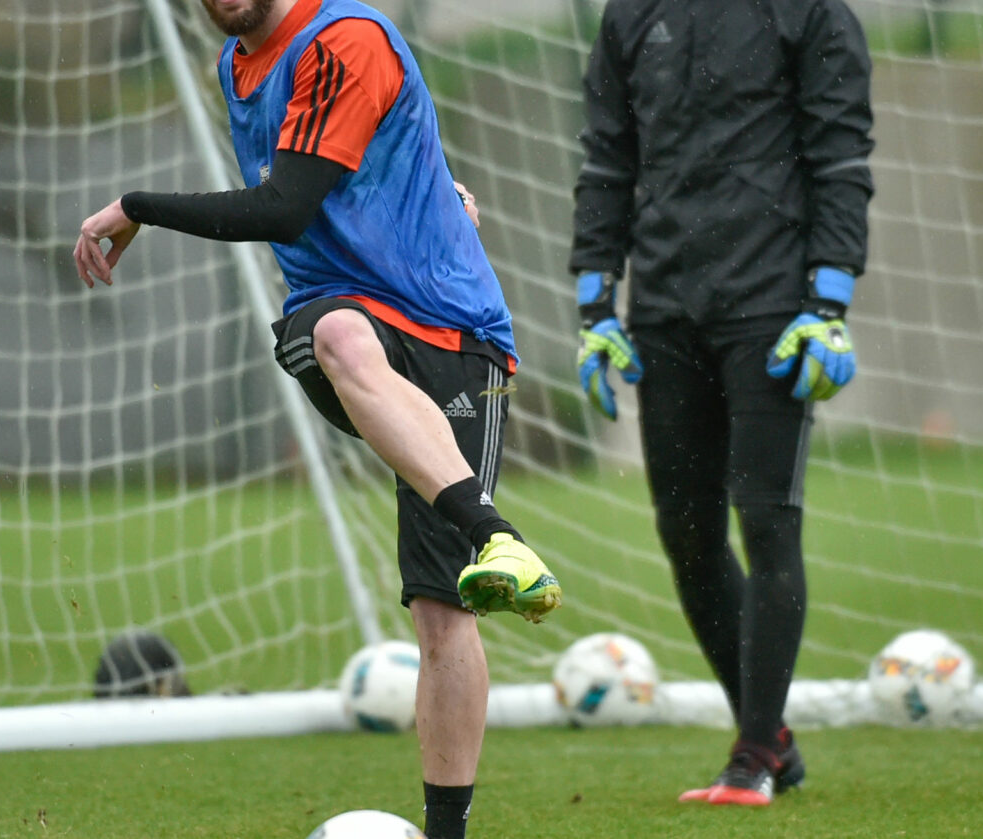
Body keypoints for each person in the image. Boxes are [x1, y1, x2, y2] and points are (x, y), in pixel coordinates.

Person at [72, 1, 559, 836]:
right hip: (341, 323)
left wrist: (136, 203)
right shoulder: (237, 65)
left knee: (443, 613)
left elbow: (284, 207)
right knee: (334, 330)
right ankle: (493, 529)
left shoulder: (344, 38)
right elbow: (334, 186)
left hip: (459, 334)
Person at [568, 0, 875, 808]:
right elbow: (608, 158)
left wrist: (830, 302)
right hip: (664, 307)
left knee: (767, 519)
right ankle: (770, 737)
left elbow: (840, 156)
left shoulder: (810, 13)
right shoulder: (630, 14)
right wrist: (595, 305)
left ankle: (751, 757)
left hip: (773, 308)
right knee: (687, 534)